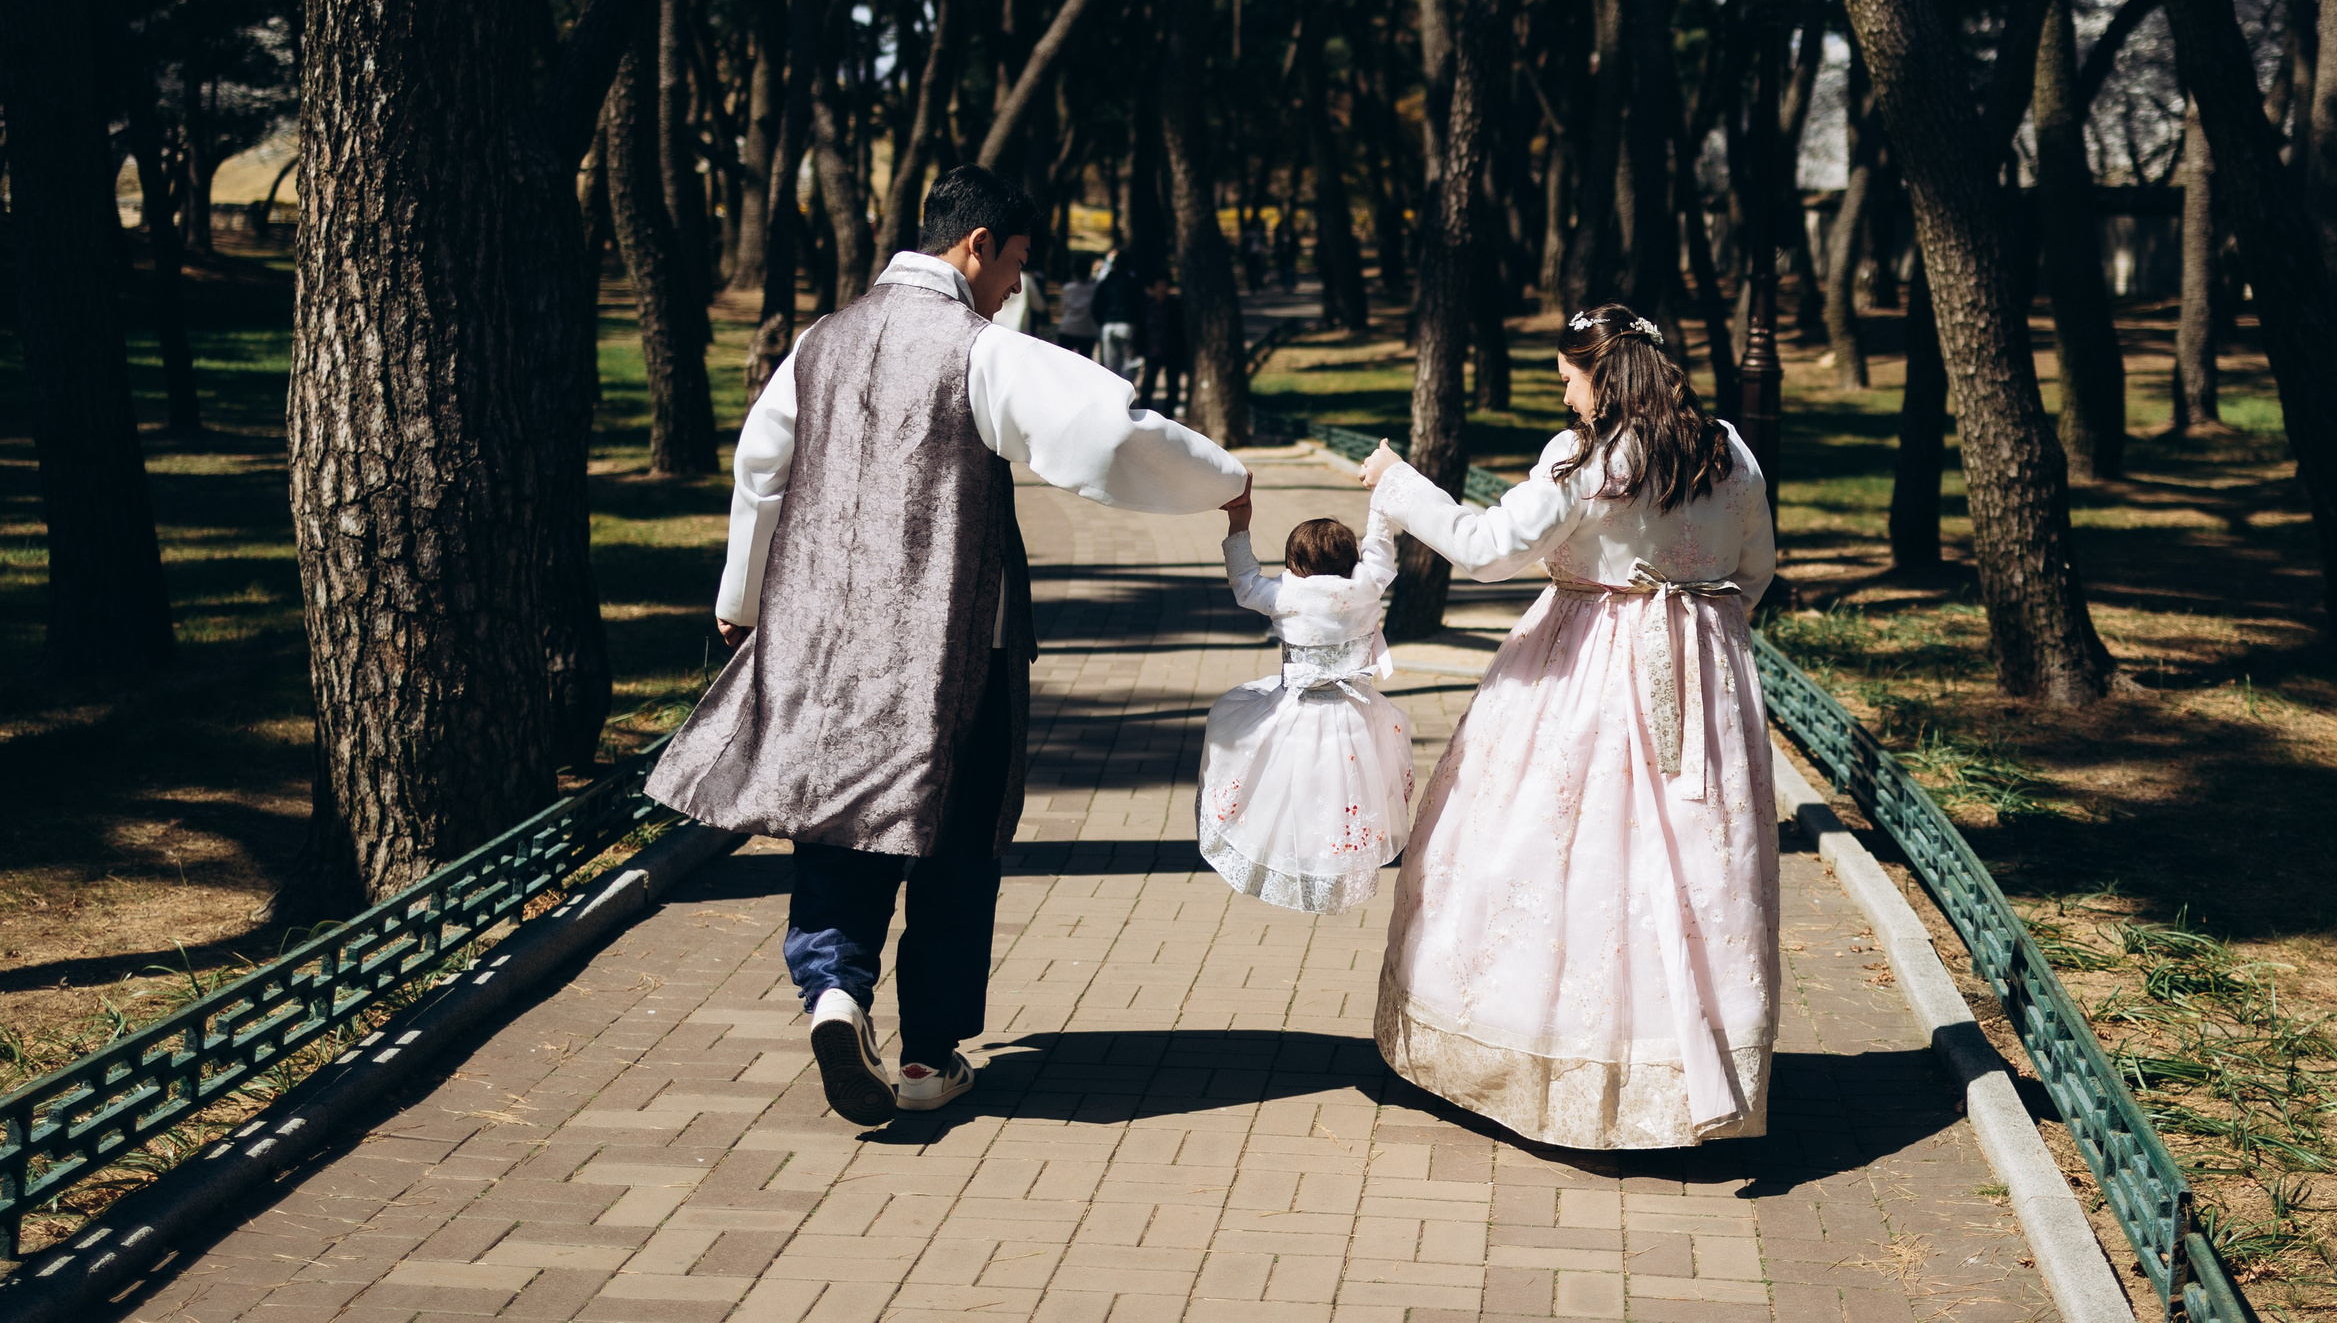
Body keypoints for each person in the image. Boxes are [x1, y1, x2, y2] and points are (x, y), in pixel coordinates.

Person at [645, 166, 1251, 1126]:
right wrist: (1223, 481)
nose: (1014, 286)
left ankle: (836, 994)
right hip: (954, 640)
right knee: (957, 838)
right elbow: (1107, 429)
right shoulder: (979, 350)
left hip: (823, 641)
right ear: (977, 246)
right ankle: (928, 1056)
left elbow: (761, 469)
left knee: (841, 819)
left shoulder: (820, 340)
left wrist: (745, 597)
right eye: (1013, 264)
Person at [1357, 302, 1777, 1150]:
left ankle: (1549, 1063)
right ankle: (1701, 1070)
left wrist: (1398, 486)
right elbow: (1754, 566)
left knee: (1560, 851)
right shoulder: (1727, 448)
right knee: (1695, 866)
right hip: (1702, 672)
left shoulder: (1586, 460)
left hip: (1588, 667)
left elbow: (1485, 549)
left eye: (1568, 380)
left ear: (1603, 374)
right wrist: (1697, 625)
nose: (1565, 400)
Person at [1198, 497, 1413, 914]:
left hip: (1295, 712)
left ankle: (1296, 860)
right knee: (1344, 785)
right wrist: (1381, 506)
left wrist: (1239, 523)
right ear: (1351, 560)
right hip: (1354, 714)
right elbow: (1381, 552)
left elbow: (1243, 580)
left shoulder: (1284, 596)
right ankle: (1337, 861)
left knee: (1292, 785)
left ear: (1295, 564)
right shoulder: (1366, 587)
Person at [1135, 276, 1188, 412]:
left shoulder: (1175, 305)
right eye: (1159, 286)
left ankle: (1169, 414)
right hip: (1152, 349)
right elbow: (1140, 327)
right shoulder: (1147, 305)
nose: (1161, 289)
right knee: (1148, 383)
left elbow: (1180, 329)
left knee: (1172, 385)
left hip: (1171, 350)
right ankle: (1145, 411)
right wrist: (1138, 346)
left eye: (1164, 285)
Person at [1093, 249, 1138, 378]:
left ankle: (1113, 395)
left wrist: (1101, 322)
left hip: (1108, 325)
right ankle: (1126, 395)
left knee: (1110, 367)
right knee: (1128, 364)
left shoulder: (1106, 283)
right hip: (1126, 325)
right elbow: (1138, 304)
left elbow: (1096, 306)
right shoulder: (1132, 283)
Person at [1055, 260, 1100, 359]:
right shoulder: (1095, 289)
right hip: (1087, 330)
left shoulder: (1068, 288)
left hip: (1068, 328)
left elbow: (1063, 307)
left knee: (1063, 360)